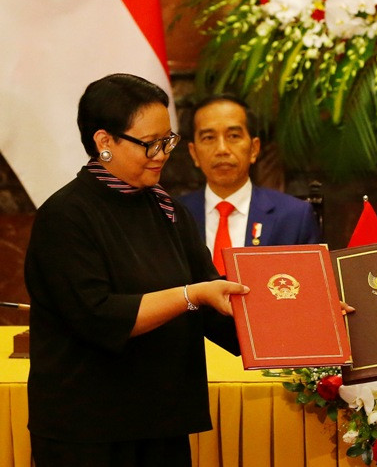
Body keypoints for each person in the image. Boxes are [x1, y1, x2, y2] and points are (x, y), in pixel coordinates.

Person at [24, 73, 250, 467]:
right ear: (104, 142)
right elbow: (100, 315)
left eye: (168, 141)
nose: (162, 154)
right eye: (149, 144)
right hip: (88, 432)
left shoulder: (167, 210)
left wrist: (301, 320)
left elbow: (218, 301)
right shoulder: (66, 216)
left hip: (161, 424)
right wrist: (189, 296)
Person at [180, 94, 320, 275]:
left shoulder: (294, 216)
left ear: (254, 149)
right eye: (208, 138)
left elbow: (311, 291)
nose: (222, 149)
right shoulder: (173, 217)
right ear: (194, 153)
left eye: (233, 136)